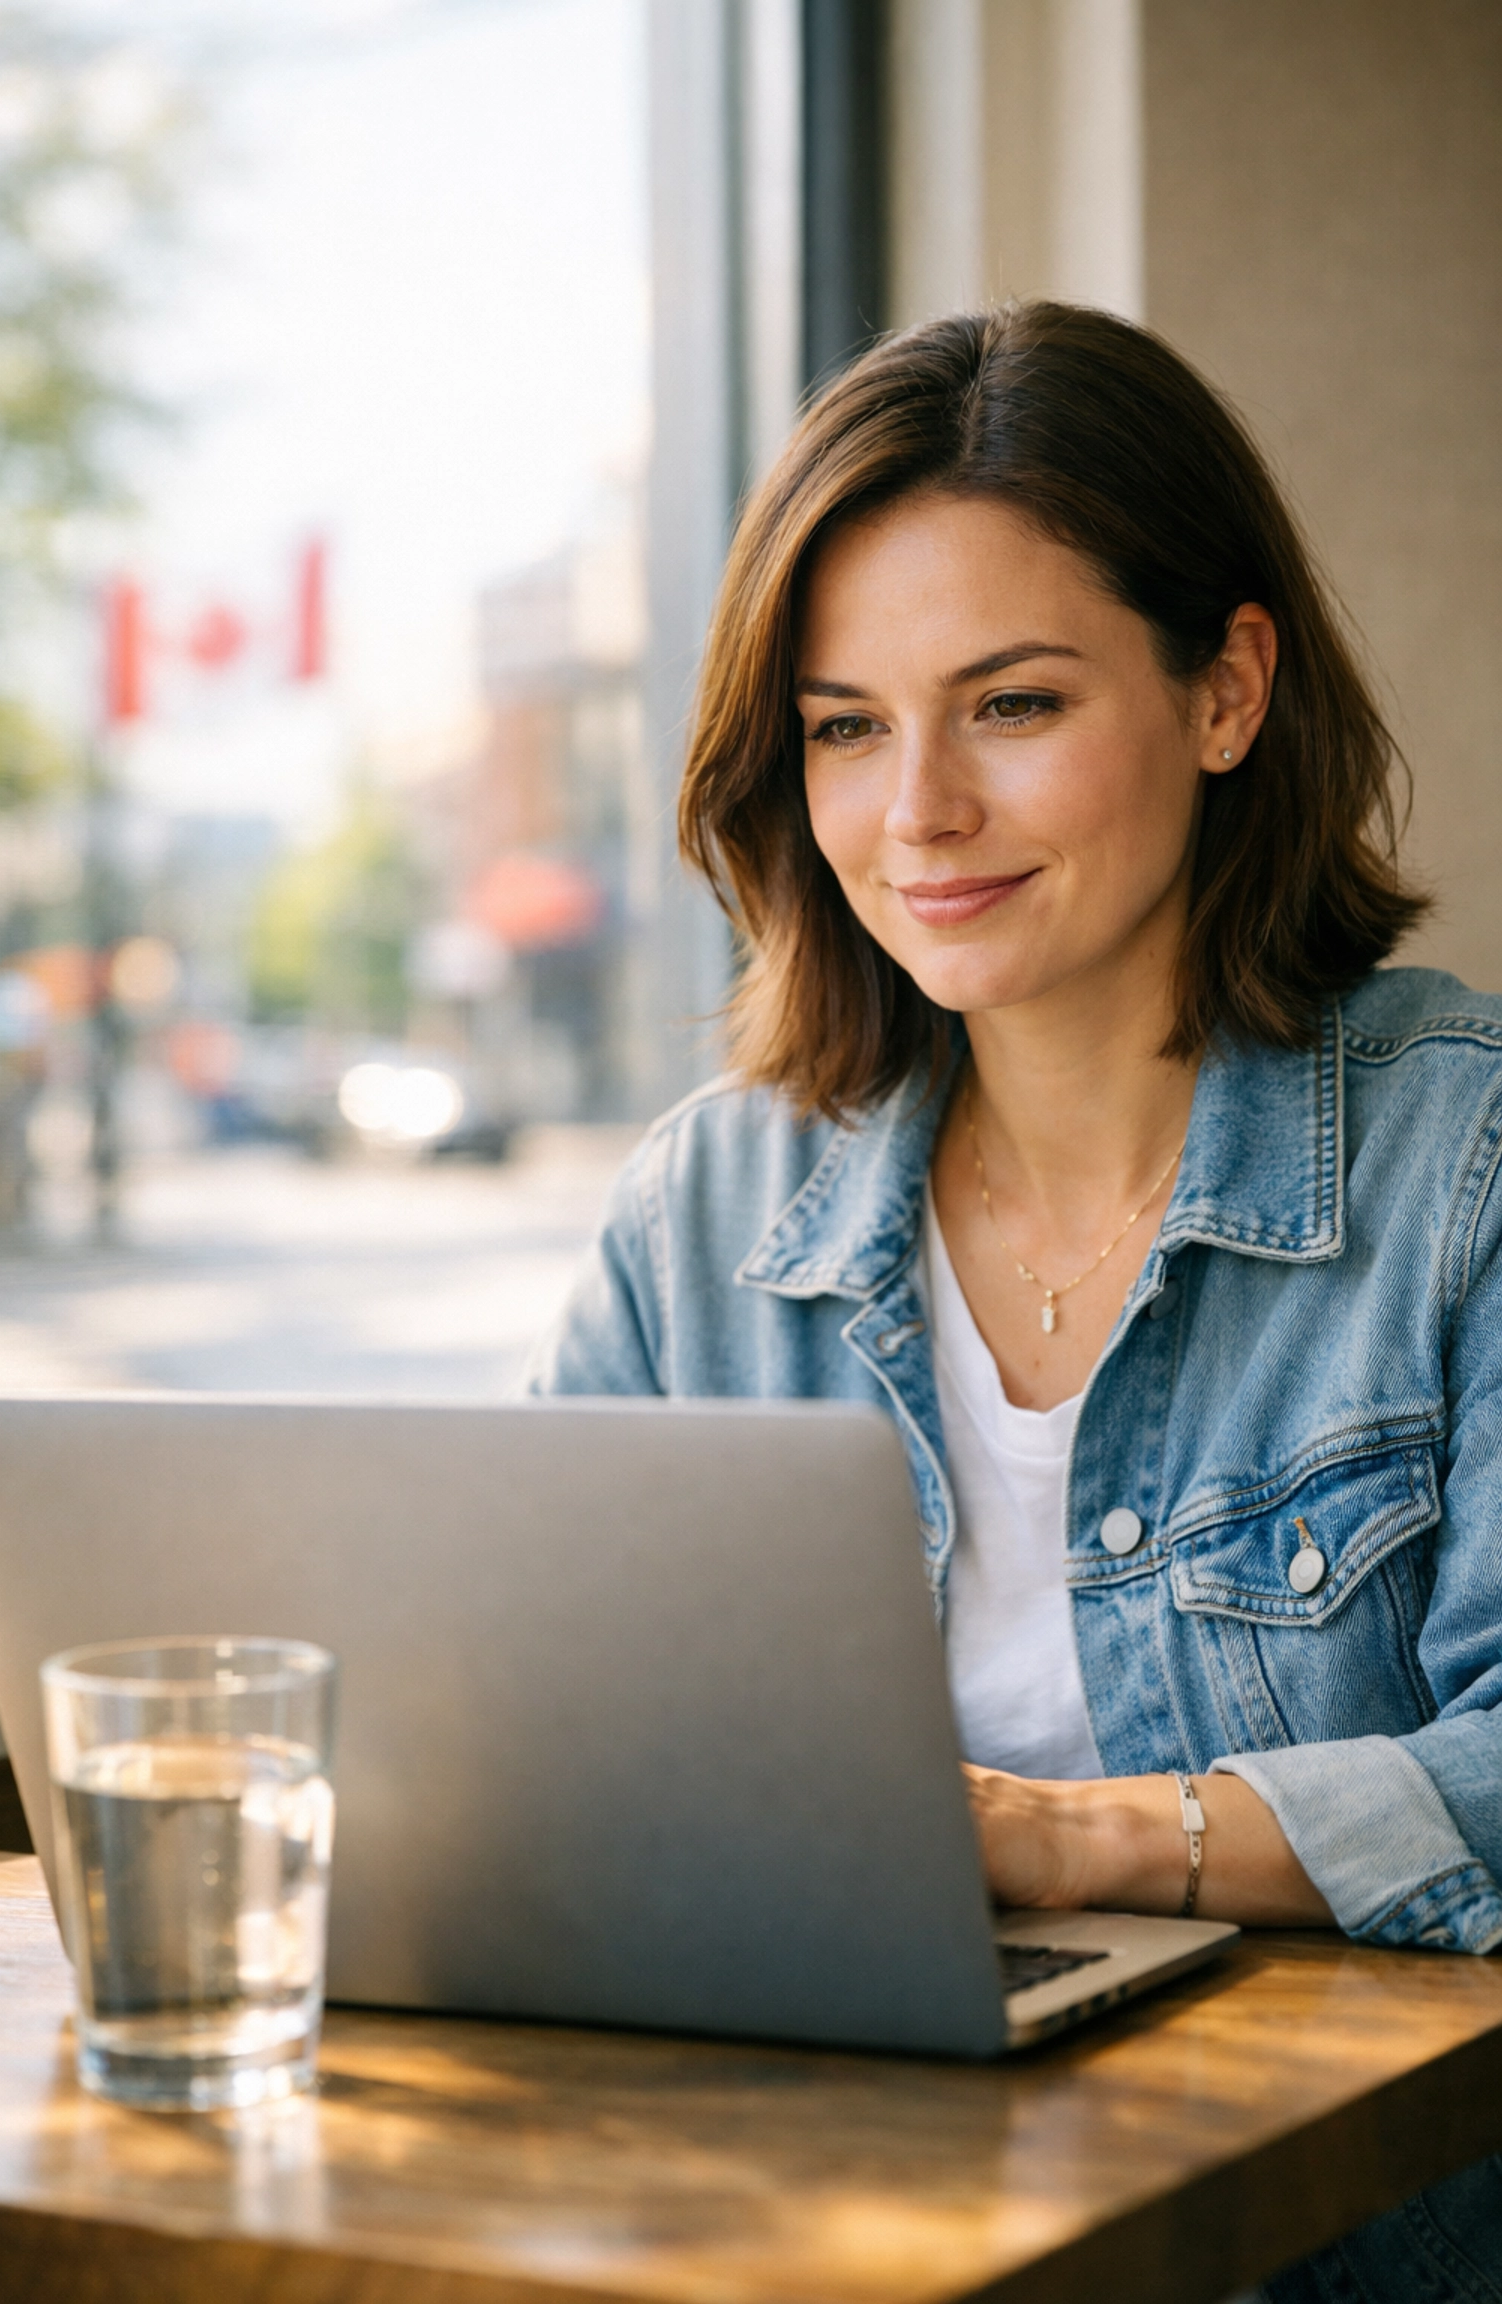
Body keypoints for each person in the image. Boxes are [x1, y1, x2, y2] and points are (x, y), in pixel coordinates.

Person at [529, 303, 1501, 2303]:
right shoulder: (705, 1211)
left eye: (1018, 704)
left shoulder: (1462, 1168)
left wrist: (1081, 1843)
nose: (918, 819)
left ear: (1228, 690)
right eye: (846, 726)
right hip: (816, 2229)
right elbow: (536, 1734)